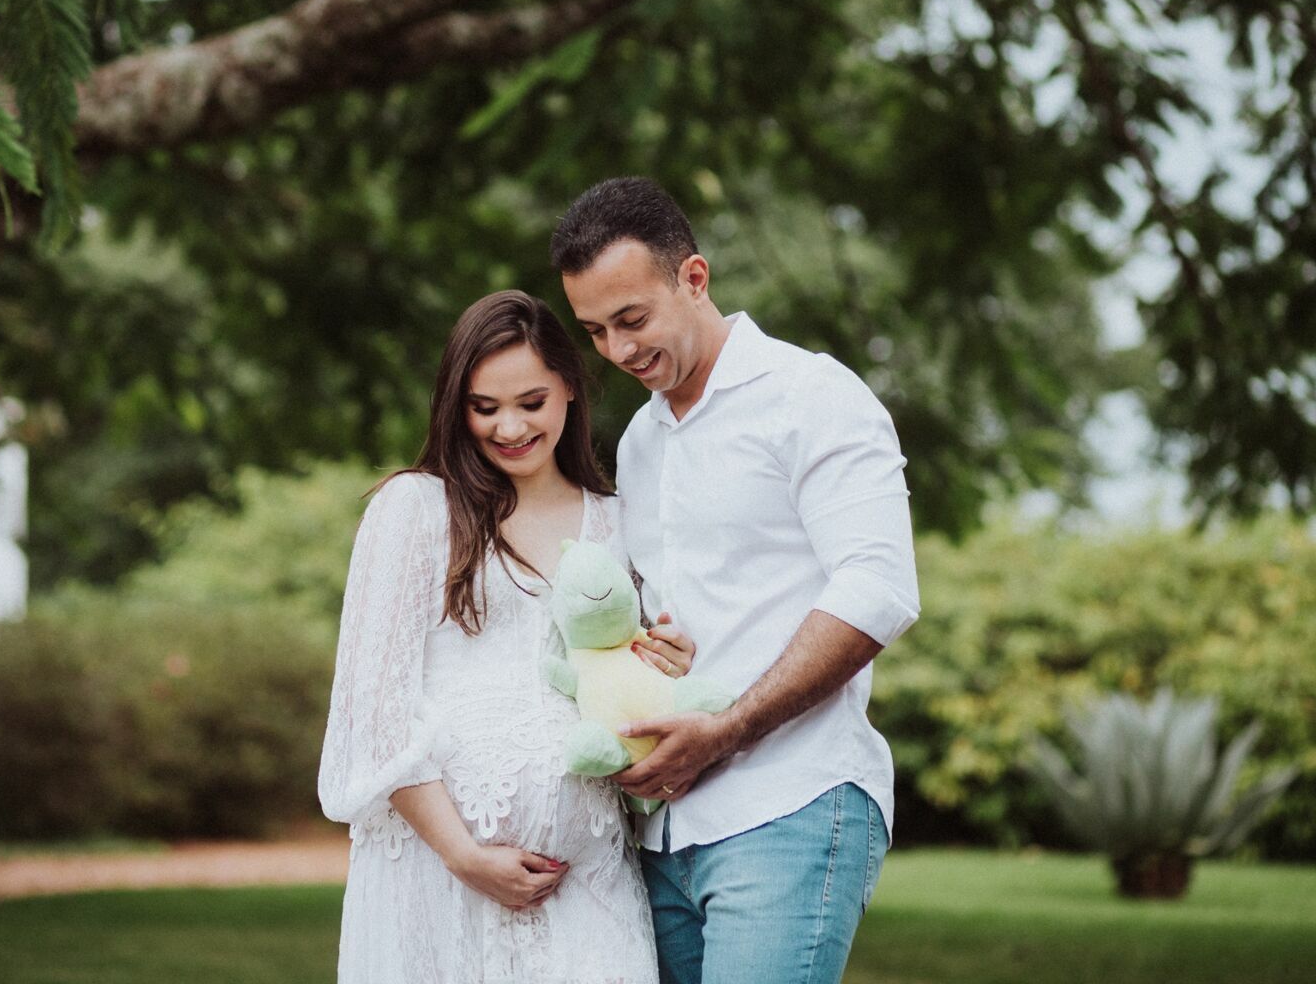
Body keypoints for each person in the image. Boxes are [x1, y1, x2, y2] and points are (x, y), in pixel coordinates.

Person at [553, 177, 920, 984]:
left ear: (694, 278)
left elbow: (880, 587)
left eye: (632, 319)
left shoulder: (811, 396)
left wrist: (731, 726)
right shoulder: (643, 441)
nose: (617, 352)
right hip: (663, 834)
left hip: (790, 800)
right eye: (595, 332)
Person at [319, 289, 694, 983]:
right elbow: (377, 707)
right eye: (484, 407)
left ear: (571, 391)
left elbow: (624, 672)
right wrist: (463, 854)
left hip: (588, 882)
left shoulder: (618, 521)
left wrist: (672, 664)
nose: (510, 426)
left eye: (531, 401)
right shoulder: (417, 509)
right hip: (437, 877)